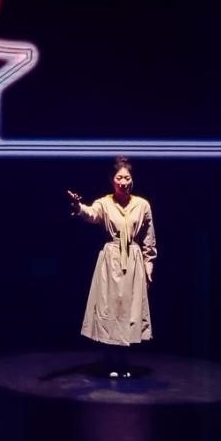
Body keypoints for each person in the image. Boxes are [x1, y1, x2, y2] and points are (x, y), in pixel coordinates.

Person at [66, 155, 157, 378]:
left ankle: (124, 361)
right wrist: (78, 207)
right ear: (112, 180)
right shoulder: (105, 203)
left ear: (132, 179)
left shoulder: (142, 205)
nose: (123, 182)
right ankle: (109, 361)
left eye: (127, 178)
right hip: (111, 259)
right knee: (110, 309)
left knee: (128, 309)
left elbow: (149, 238)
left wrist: (149, 265)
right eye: (119, 178)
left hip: (132, 259)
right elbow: (91, 213)